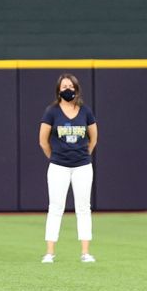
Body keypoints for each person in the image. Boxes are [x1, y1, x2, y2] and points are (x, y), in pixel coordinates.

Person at [38, 72, 97, 263]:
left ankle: (85, 252)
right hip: (58, 166)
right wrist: (55, 157)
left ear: (76, 89)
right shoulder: (52, 112)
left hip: (82, 166)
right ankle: (50, 252)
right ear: (58, 90)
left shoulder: (85, 111)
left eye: (70, 86)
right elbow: (43, 141)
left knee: (83, 207)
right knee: (55, 207)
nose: (67, 90)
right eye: (64, 87)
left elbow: (93, 137)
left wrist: (84, 154)